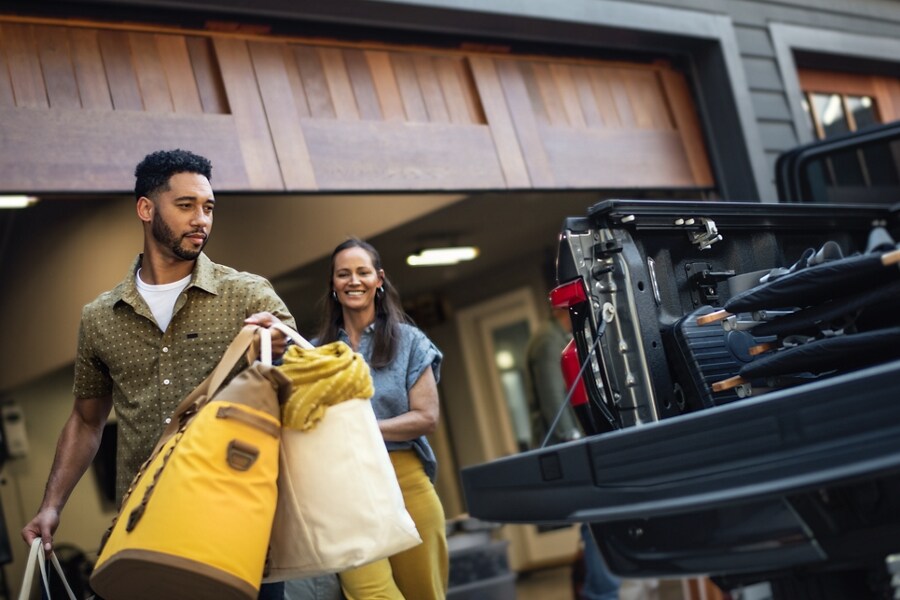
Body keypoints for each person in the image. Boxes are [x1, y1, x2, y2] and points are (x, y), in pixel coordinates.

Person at [21, 149, 294, 600]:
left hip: (239, 516)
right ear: (146, 209)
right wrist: (51, 507)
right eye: (185, 206)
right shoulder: (100, 318)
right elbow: (87, 420)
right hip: (148, 525)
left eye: (208, 207)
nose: (201, 219)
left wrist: (278, 345)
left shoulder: (246, 293)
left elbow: (296, 367)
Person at [314, 238, 448, 600]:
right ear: (333, 283)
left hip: (405, 479)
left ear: (379, 279)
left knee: (425, 594)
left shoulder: (409, 341)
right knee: (369, 592)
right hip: (346, 487)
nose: (353, 281)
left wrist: (361, 430)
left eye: (362, 272)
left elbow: (426, 418)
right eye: (343, 274)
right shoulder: (316, 353)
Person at [525, 295, 620, 600]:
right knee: (595, 519)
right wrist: (572, 438)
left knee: (593, 520)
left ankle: (602, 588)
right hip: (568, 443)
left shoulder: (559, 337)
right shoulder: (547, 342)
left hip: (576, 440)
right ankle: (601, 592)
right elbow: (555, 397)